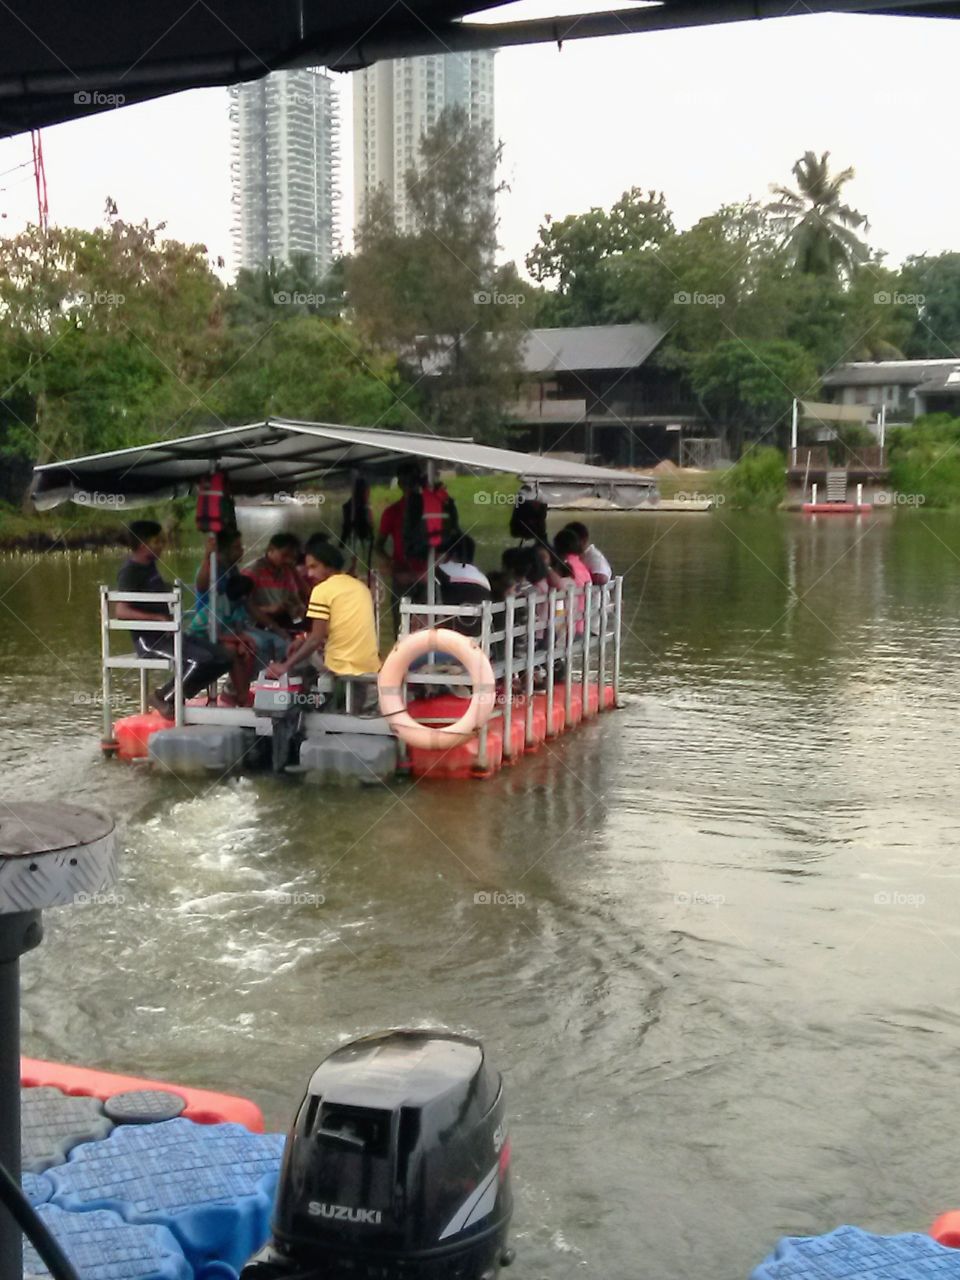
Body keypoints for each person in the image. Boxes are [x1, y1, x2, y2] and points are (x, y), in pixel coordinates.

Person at [116, 520, 232, 718]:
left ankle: (175, 694)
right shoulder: (130, 571)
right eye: (158, 542)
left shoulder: (150, 566)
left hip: (171, 635)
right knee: (198, 661)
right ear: (144, 544)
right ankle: (162, 697)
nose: (163, 545)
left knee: (224, 657)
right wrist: (158, 618)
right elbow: (121, 610)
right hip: (149, 641)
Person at [266, 538, 380, 690]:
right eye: (308, 568)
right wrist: (303, 638)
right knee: (304, 648)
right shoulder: (360, 587)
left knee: (299, 660)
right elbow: (340, 626)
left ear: (329, 565)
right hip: (369, 662)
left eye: (314, 567)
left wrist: (286, 665)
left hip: (340, 664)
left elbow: (315, 639)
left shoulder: (321, 590)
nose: (310, 573)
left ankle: (306, 702)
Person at [375, 460, 428, 634]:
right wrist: (391, 563)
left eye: (412, 480)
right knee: (401, 625)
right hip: (402, 575)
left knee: (428, 624)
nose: (409, 485)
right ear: (399, 483)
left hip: (427, 575)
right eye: (406, 481)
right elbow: (378, 546)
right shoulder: (391, 512)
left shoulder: (431, 509)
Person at [243, 533, 306, 637]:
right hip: (258, 623)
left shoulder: (287, 570)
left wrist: (299, 609)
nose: (289, 560)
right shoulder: (253, 571)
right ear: (270, 549)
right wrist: (268, 609)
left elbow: (296, 600)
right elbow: (244, 607)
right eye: (284, 555)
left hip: (283, 620)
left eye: (292, 557)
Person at [435, 533, 491, 638]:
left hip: (445, 635)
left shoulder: (439, 571)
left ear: (452, 553)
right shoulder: (484, 580)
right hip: (475, 638)